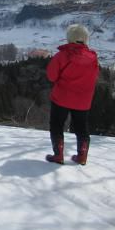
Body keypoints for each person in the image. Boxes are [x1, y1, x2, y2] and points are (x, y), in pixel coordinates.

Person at [45, 24, 99, 165]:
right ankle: (82, 157)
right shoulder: (93, 57)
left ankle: (58, 155)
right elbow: (94, 77)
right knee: (82, 127)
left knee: (57, 125)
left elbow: (51, 76)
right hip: (83, 100)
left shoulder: (62, 55)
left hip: (62, 97)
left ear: (69, 38)